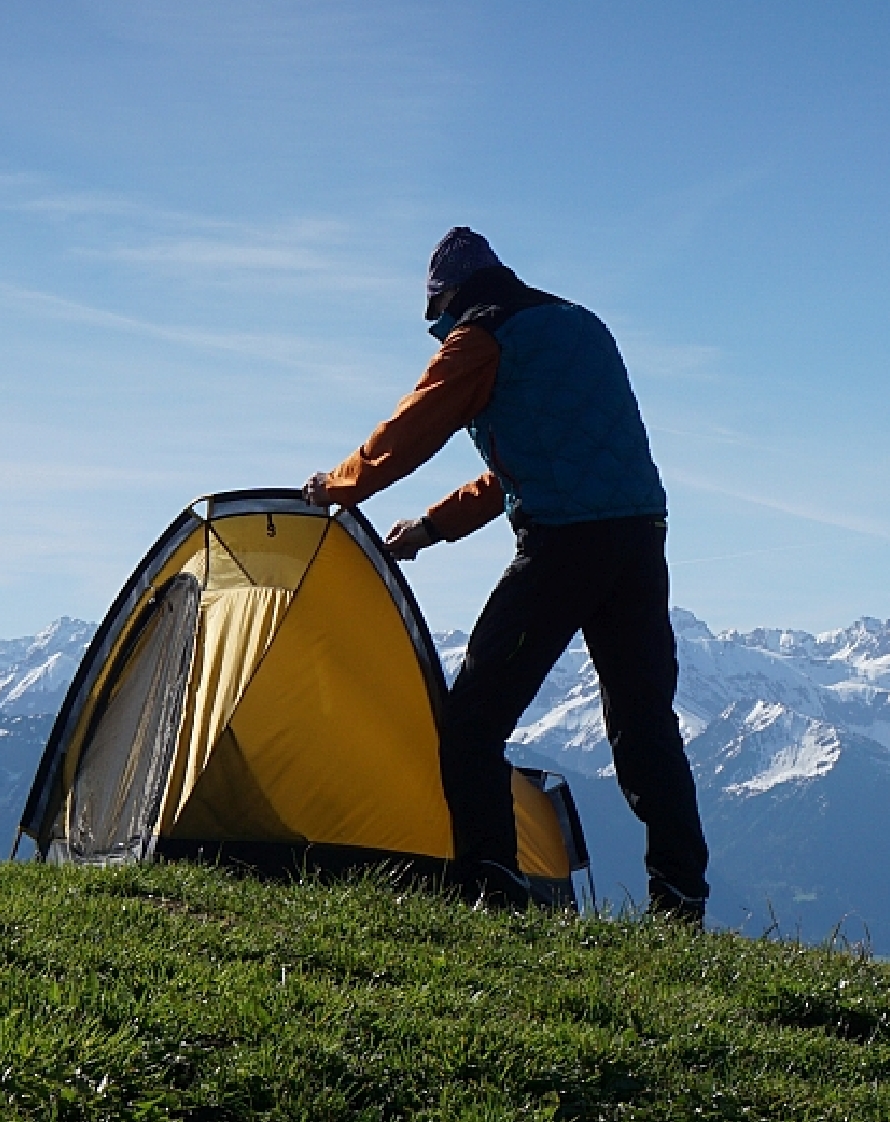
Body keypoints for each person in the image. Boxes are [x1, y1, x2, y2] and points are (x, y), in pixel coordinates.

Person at [304, 227, 709, 922]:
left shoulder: (481, 339)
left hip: (562, 549)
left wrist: (338, 487)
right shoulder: (581, 326)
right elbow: (527, 463)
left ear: (450, 300)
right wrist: (433, 529)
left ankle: (493, 884)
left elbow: (411, 430)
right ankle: (679, 894)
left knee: (473, 721)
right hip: (640, 541)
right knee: (645, 727)